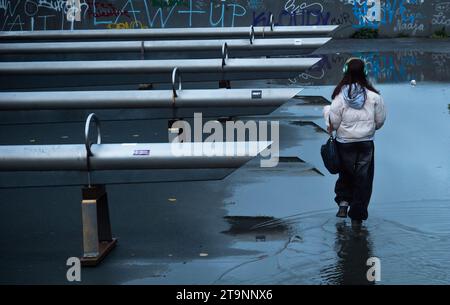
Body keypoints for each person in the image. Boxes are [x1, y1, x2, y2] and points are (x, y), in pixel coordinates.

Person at [323, 57, 386, 226]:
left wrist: (327, 112)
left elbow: (333, 124)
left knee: (346, 173)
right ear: (365, 73)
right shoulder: (374, 97)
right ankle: (357, 217)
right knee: (363, 179)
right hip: (366, 143)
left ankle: (343, 203)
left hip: (344, 143)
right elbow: (379, 122)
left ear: (345, 72)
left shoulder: (339, 97)